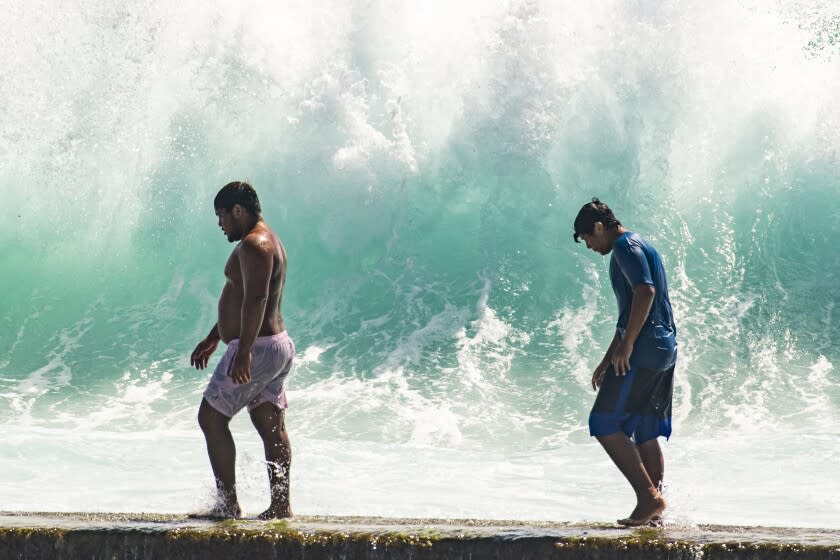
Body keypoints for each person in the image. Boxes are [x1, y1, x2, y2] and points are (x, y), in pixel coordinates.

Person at [189, 181, 295, 519]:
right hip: (273, 346)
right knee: (270, 425)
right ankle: (280, 507)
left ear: (239, 210)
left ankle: (228, 505)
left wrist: (244, 350)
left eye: (221, 216)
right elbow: (238, 296)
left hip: (258, 347)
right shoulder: (266, 242)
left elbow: (256, 299)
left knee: (211, 418)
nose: (220, 225)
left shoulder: (255, 245)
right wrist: (215, 336)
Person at [573, 198, 677, 527]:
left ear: (600, 227)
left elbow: (644, 293)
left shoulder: (624, 247)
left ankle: (648, 498)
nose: (589, 245)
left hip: (644, 348)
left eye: (587, 237)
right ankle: (655, 514)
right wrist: (609, 357)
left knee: (604, 423)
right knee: (645, 431)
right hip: (663, 347)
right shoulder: (641, 243)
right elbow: (631, 309)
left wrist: (629, 344)